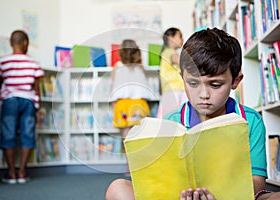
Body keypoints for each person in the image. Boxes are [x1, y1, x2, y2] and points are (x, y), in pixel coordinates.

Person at [105, 28, 270, 200]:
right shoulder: (170, 123)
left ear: (235, 80)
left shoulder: (250, 121)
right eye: (192, 83)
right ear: (182, 77)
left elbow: (257, 183)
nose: (203, 94)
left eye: (215, 85)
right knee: (118, 188)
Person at [0, 30, 44, 184]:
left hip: (9, 101)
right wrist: (37, 106)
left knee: (8, 134)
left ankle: (11, 173)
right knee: (27, 134)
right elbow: (36, 87)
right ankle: (22, 172)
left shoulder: (2, 61)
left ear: (11, 43)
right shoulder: (33, 63)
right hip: (28, 101)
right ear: (25, 43)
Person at [110, 39, 152, 151]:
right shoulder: (140, 68)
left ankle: (129, 162)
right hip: (139, 103)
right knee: (140, 133)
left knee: (126, 133)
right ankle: (138, 160)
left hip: (122, 104)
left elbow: (113, 85)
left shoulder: (117, 67)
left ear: (121, 52)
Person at [156, 27, 187, 118]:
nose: (182, 39)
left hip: (173, 91)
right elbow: (180, 61)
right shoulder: (169, 52)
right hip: (175, 91)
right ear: (170, 37)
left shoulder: (167, 52)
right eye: (180, 36)